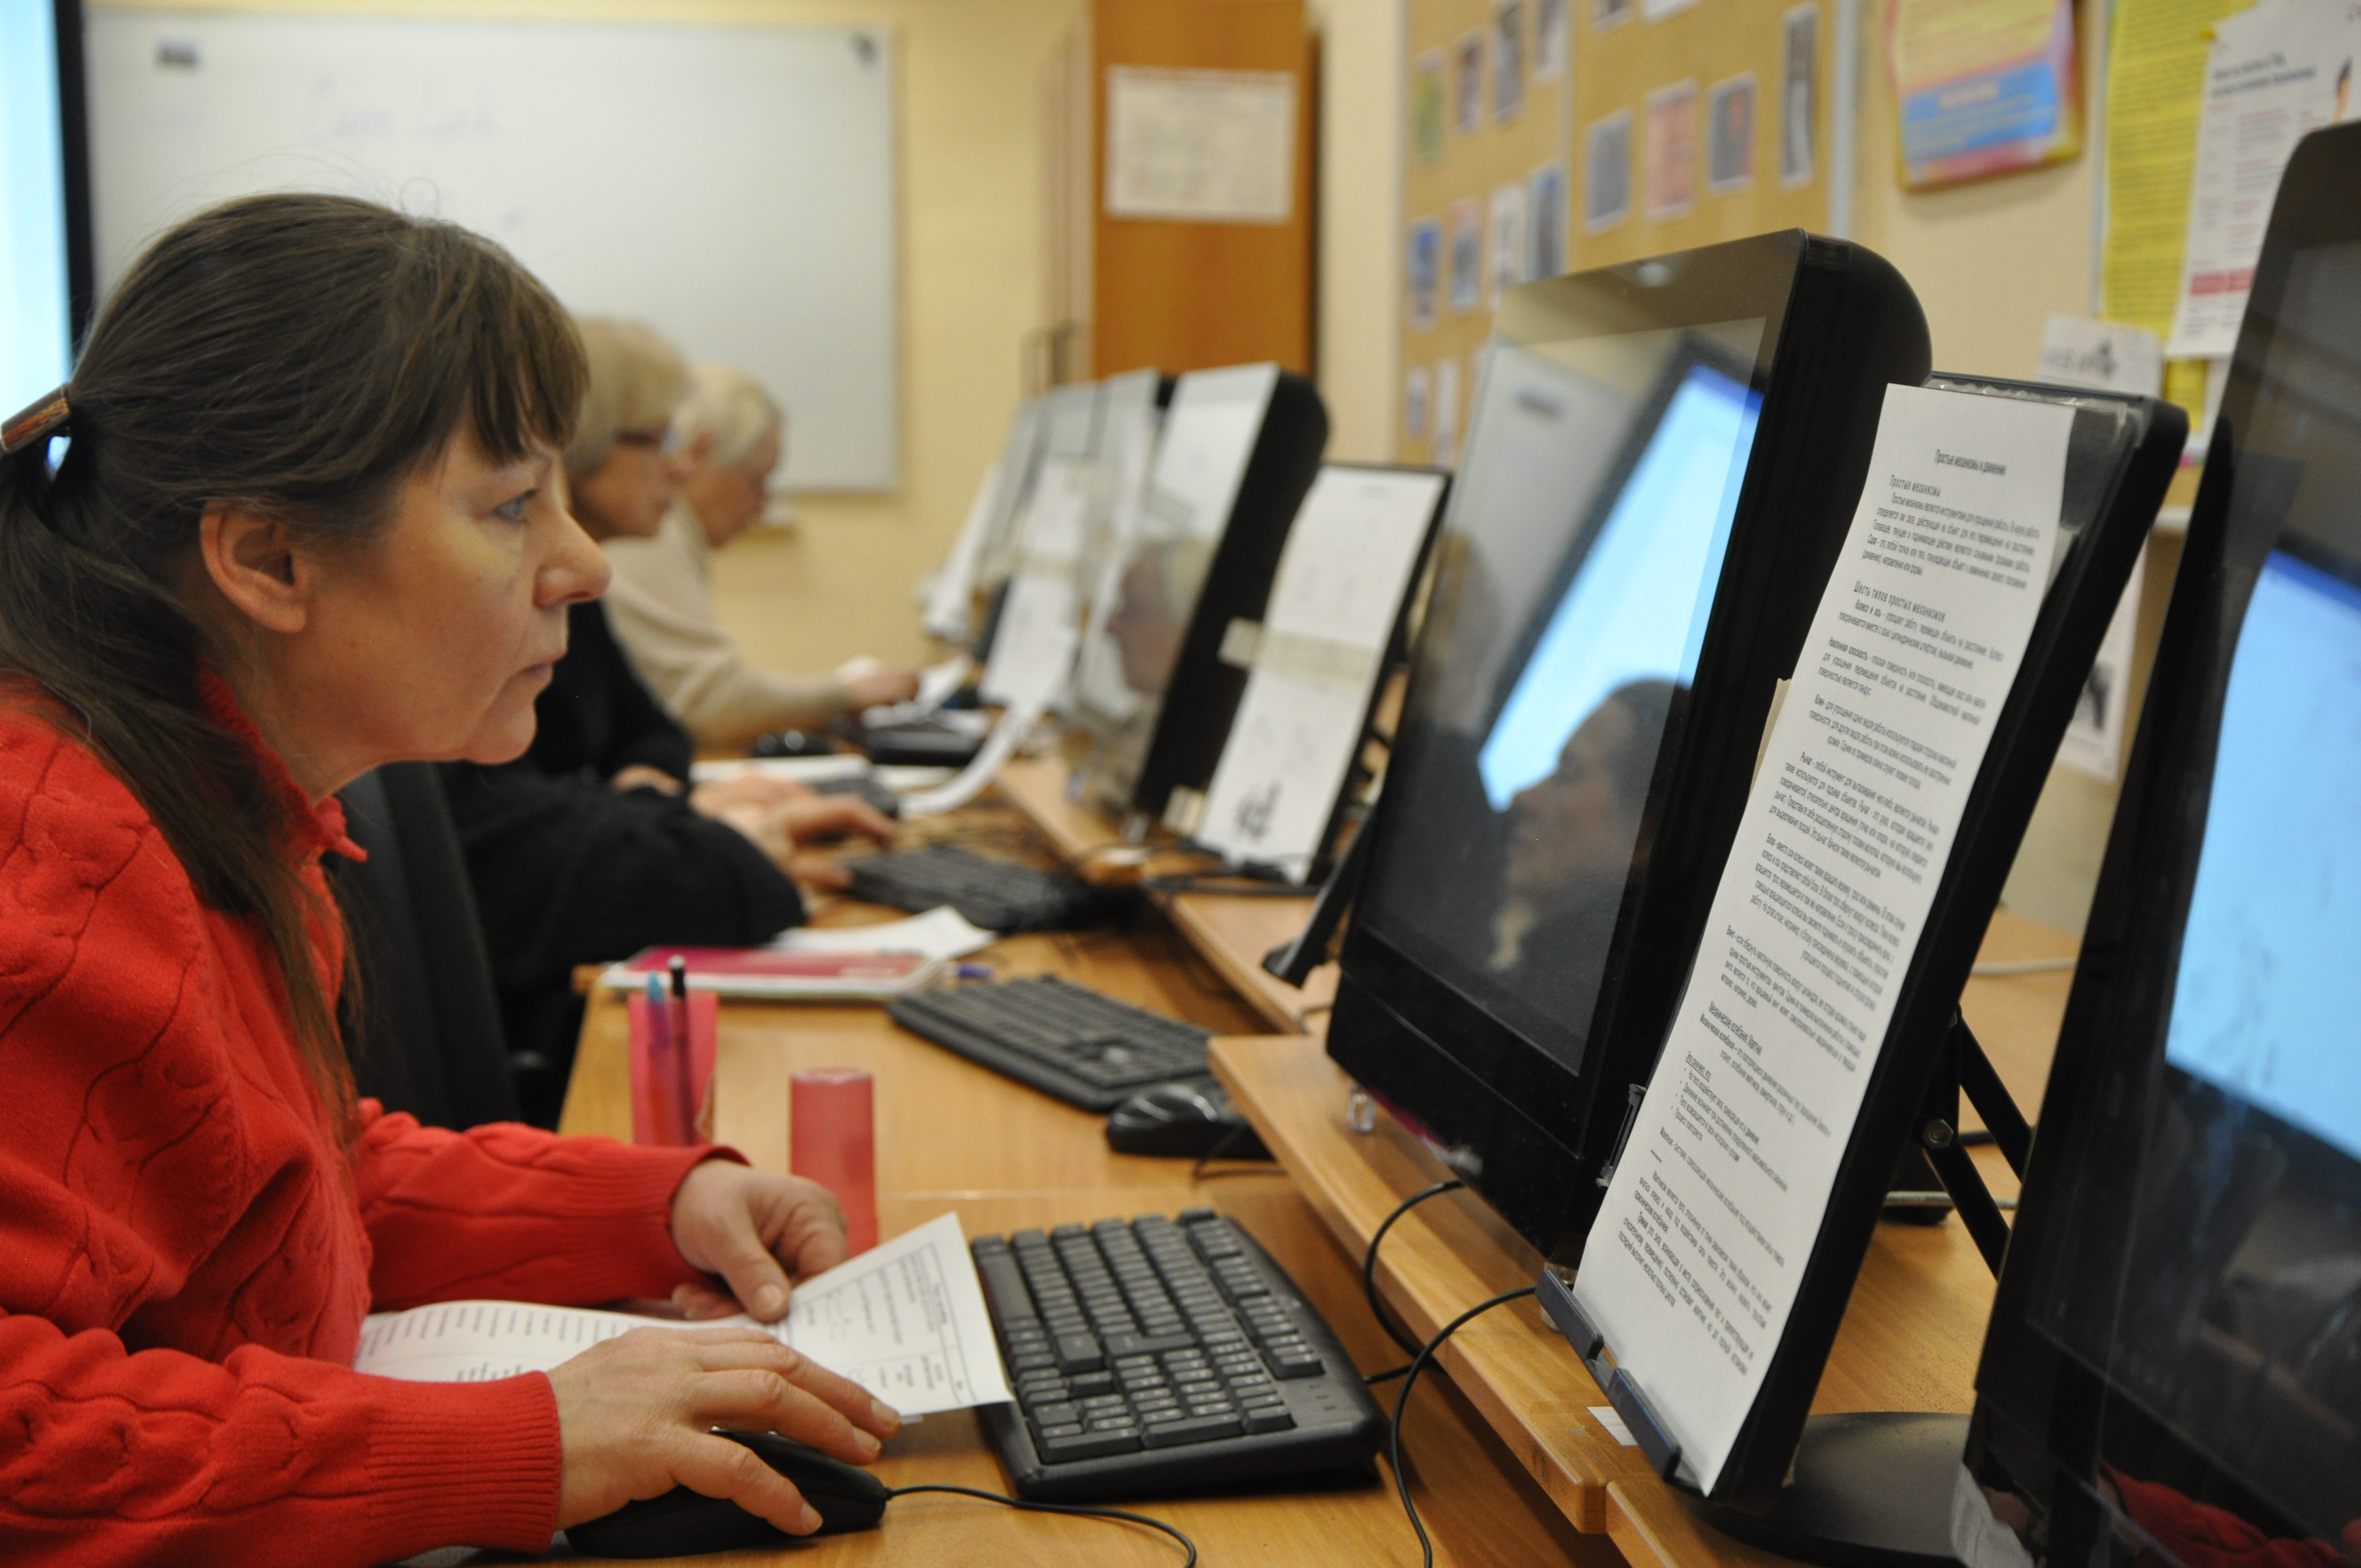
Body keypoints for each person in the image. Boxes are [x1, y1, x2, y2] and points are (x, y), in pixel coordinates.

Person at [0, 193, 898, 1565]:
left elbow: (280, 1186)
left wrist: (646, 1206)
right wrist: (526, 1444)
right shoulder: (54, 871)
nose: (583, 563)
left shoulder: (223, 798)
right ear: (269, 558)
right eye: (512, 504)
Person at [440, 322, 894, 1120]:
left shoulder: (567, 593)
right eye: (514, 503)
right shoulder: (477, 639)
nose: (682, 467)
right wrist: (699, 831)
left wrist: (640, 802)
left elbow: (657, 735)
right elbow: (526, 837)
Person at [603, 363, 921, 746]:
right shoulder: (650, 532)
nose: (762, 507)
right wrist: (845, 693)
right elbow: (711, 705)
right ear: (700, 452)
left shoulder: (666, 532)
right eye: (757, 482)